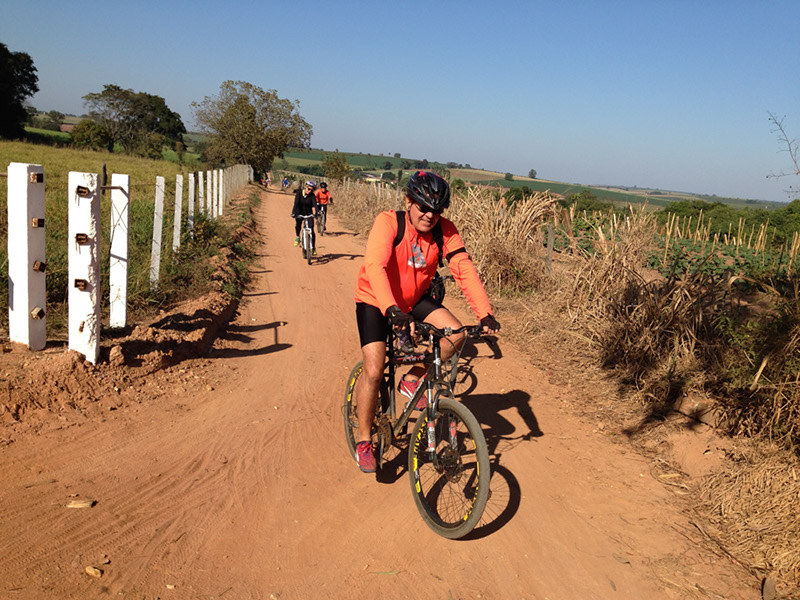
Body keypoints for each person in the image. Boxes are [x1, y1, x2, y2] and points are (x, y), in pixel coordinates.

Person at [352, 171, 501, 473]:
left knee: (456, 335)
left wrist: (484, 313)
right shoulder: (389, 223)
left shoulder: (444, 231)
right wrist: (392, 309)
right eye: (423, 207)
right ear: (409, 201)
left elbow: (463, 268)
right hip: (376, 299)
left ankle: (412, 380)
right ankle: (364, 439)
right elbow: (375, 267)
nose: (430, 215)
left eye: (437, 210)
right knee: (374, 369)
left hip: (414, 299)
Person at [291, 180, 317, 255]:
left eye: (312, 190)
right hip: (299, 212)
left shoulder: (312, 196)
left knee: (311, 230)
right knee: (298, 225)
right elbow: (296, 204)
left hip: (308, 213)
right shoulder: (299, 193)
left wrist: (317, 212)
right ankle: (297, 237)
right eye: (309, 189)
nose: (310, 191)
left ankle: (313, 247)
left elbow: (315, 205)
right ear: (305, 187)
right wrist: (293, 212)